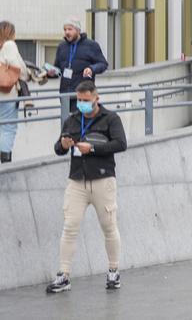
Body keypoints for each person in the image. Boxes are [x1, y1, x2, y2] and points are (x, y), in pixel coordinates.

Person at [45, 81, 127, 294]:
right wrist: (62, 145)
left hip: (103, 179)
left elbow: (120, 144)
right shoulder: (72, 120)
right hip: (77, 180)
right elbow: (58, 148)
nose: (81, 104)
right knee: (69, 227)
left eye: (85, 100)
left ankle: (113, 271)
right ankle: (63, 275)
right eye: (79, 100)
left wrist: (92, 148)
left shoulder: (110, 119)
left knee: (109, 226)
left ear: (96, 98)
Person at [52, 18, 108, 112]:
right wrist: (51, 73)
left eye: (70, 29)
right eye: (65, 30)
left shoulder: (91, 45)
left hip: (84, 94)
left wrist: (91, 69)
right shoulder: (62, 47)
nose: (67, 32)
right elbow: (58, 69)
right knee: (68, 124)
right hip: (65, 95)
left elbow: (103, 64)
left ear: (78, 30)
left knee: (83, 122)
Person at [0, 21, 30, 163]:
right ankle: (5, 164)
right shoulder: (9, 45)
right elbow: (17, 69)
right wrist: (27, 74)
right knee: (8, 127)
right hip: (6, 94)